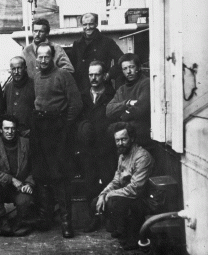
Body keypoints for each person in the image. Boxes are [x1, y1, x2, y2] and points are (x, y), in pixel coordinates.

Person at [30, 42, 82, 238]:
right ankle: (45, 219)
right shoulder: (36, 76)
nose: (43, 60)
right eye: (40, 56)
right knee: (41, 174)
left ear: (52, 58)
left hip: (57, 129)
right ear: (36, 58)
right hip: (39, 127)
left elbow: (76, 104)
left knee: (59, 176)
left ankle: (66, 223)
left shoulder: (63, 75)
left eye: (46, 56)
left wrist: (64, 127)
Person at [84, 122, 154, 251]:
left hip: (142, 199)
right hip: (127, 196)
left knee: (114, 203)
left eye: (124, 139)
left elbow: (136, 189)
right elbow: (116, 181)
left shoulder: (142, 157)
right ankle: (122, 228)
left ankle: (133, 236)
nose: (120, 143)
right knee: (96, 202)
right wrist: (102, 194)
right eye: (117, 140)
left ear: (132, 138)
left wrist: (110, 195)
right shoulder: (122, 155)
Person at [0, 115, 34, 236]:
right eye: (6, 128)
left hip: (21, 187)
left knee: (25, 200)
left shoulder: (26, 144)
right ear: (1, 129)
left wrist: (29, 183)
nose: (9, 132)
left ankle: (19, 221)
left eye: (12, 128)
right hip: (2, 188)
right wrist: (11, 179)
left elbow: (36, 167)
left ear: (16, 129)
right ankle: (1, 219)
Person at [77, 61, 116, 205]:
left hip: (106, 147)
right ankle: (92, 218)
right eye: (90, 75)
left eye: (97, 74)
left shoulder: (112, 95)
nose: (93, 78)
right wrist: (83, 128)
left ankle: (110, 218)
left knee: (109, 181)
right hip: (88, 148)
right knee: (90, 184)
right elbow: (77, 119)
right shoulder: (82, 96)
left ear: (104, 75)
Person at [106, 53, 152, 151]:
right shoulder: (122, 89)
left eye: (131, 67)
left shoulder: (146, 83)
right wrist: (127, 103)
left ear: (138, 67)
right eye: (125, 68)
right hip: (125, 143)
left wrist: (122, 116)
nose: (129, 71)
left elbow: (141, 108)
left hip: (142, 141)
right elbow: (109, 110)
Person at [68, 13, 124, 91]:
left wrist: (109, 74)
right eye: (85, 24)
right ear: (82, 25)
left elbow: (122, 60)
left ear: (96, 24)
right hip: (83, 88)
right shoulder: (77, 44)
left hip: (103, 87)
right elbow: (72, 66)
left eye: (91, 24)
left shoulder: (107, 42)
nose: (88, 27)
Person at [2, 56, 35, 137]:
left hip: (29, 133)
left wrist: (33, 129)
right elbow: (3, 109)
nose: (16, 72)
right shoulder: (8, 87)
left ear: (25, 68)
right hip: (12, 134)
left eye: (19, 68)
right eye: (13, 69)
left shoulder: (34, 85)